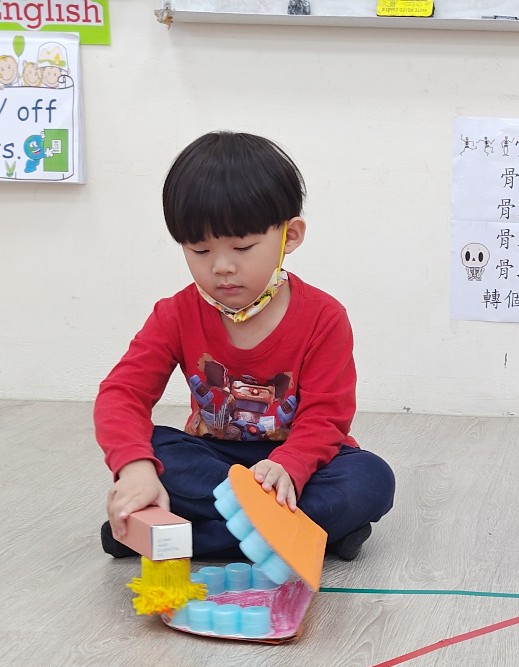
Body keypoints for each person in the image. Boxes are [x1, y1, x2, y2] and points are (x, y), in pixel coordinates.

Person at [95, 131, 395, 561]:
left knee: (370, 479)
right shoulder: (175, 314)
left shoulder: (324, 318)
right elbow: (121, 395)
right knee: (158, 450)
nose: (221, 266)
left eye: (242, 247)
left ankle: (181, 538)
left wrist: (290, 465)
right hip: (214, 463)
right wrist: (135, 468)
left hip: (295, 463)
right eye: (199, 250)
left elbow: (326, 417)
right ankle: (305, 535)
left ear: (290, 236)